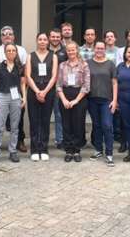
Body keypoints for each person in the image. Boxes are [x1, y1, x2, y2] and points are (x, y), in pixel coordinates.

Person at [0, 43, 26, 165]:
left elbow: (22, 84)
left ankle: (13, 151)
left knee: (15, 127)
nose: (10, 52)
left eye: (13, 50)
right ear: (5, 53)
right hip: (2, 96)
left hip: (16, 98)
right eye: (8, 50)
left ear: (16, 52)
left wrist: (24, 98)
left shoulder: (19, 67)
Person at [56, 42, 90, 163]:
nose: (71, 52)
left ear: (77, 51)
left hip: (79, 96)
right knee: (66, 124)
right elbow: (58, 85)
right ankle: (68, 150)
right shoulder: (62, 66)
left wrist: (76, 100)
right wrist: (64, 99)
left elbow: (86, 86)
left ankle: (76, 150)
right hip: (65, 95)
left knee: (78, 124)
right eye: (68, 50)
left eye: (73, 50)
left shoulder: (84, 65)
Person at [26, 32, 58, 161]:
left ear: (48, 41)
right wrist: (37, 91)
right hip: (33, 91)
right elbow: (28, 76)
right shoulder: (30, 56)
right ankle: (34, 149)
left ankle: (44, 149)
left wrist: (44, 92)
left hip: (48, 91)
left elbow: (54, 75)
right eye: (40, 39)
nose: (42, 42)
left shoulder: (53, 56)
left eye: (45, 39)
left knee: (45, 120)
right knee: (34, 120)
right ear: (36, 41)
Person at [87, 41, 117, 167]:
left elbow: (115, 83)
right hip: (92, 99)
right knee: (96, 125)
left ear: (105, 50)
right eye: (97, 48)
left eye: (102, 48)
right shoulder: (87, 63)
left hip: (107, 100)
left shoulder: (110, 64)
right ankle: (99, 150)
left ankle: (109, 154)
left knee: (107, 126)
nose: (99, 50)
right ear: (94, 49)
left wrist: (115, 100)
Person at [104, 30, 125, 152]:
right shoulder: (102, 50)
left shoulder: (120, 51)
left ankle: (118, 135)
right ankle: (107, 134)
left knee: (117, 111)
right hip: (105, 84)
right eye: (107, 37)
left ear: (115, 38)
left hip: (117, 84)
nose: (109, 38)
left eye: (111, 36)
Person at [48, 28, 65, 150]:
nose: (55, 39)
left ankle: (60, 140)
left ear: (61, 37)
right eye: (53, 37)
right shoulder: (44, 51)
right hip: (46, 88)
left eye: (57, 37)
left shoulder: (65, 51)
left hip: (60, 88)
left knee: (59, 115)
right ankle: (43, 139)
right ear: (49, 37)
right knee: (45, 115)